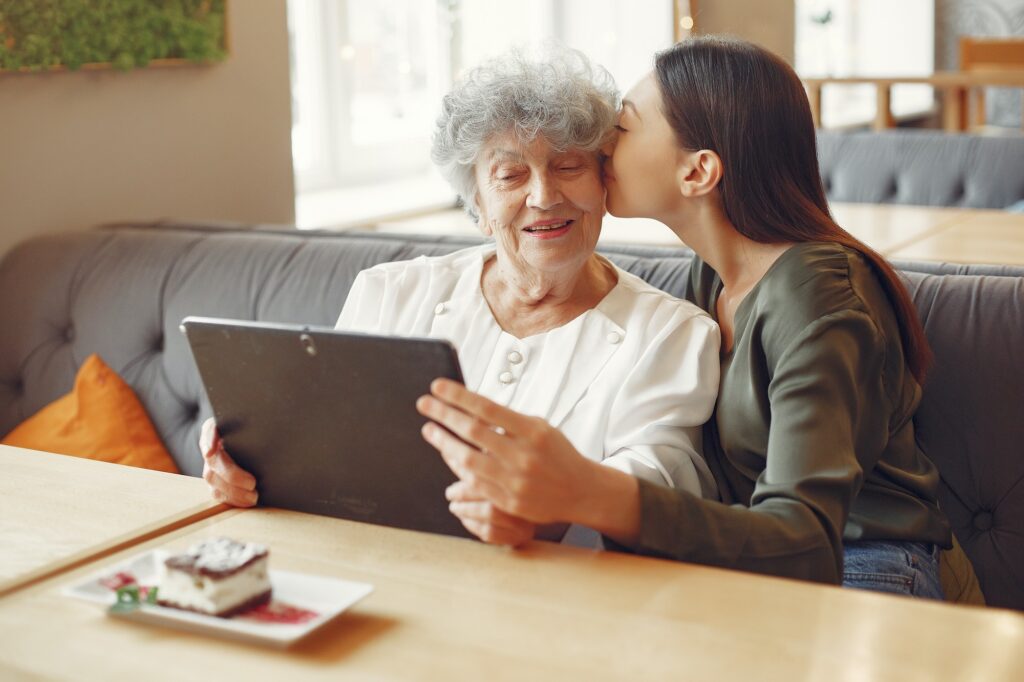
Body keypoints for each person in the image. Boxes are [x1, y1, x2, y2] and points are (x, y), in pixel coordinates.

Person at [417, 36, 958, 598]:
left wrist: (585, 490)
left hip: (867, 571)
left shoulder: (820, 295)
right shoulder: (714, 277)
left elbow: (806, 542)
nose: (602, 148)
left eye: (621, 129)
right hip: (756, 563)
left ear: (697, 172)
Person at [200, 46, 721, 546]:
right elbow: (324, 447)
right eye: (511, 174)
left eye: (568, 166)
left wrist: (544, 515)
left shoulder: (669, 333)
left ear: (603, 182)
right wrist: (251, 462)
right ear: (477, 200)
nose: (543, 196)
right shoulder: (390, 295)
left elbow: (659, 487)